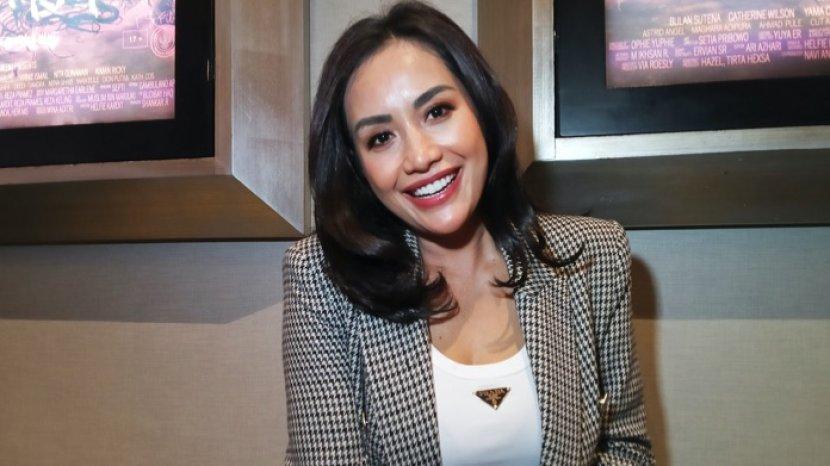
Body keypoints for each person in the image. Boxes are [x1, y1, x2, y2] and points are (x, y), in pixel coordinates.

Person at [282, 1, 654, 464]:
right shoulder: (321, 278)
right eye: (380, 138)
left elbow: (626, 449)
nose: (420, 157)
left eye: (437, 111)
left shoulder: (593, 255)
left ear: (481, 108)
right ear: (358, 168)